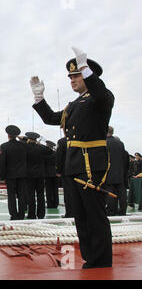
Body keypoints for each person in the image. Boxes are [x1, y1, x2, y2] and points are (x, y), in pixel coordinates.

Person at [31, 47, 114, 268]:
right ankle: (91, 257)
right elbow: (51, 118)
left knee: (95, 216)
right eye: (70, 76)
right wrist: (39, 98)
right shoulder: (75, 104)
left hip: (90, 165)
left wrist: (86, 68)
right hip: (74, 165)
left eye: (76, 75)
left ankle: (102, 260)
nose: (72, 79)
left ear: (89, 75)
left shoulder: (101, 98)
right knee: (82, 217)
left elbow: (100, 93)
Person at [0, 125, 28, 220]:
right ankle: (21, 215)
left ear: (8, 135)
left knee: (11, 196)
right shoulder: (24, 145)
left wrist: (2, 177)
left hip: (10, 175)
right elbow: (29, 140)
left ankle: (14, 215)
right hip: (22, 175)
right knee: (22, 196)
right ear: (16, 135)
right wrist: (22, 138)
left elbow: (2, 163)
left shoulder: (4, 146)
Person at [25, 132, 52, 219]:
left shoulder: (25, 147)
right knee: (40, 195)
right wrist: (39, 144)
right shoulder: (41, 148)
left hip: (29, 175)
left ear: (29, 138)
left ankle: (31, 214)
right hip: (40, 175)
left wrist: (23, 140)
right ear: (36, 139)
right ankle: (41, 214)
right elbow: (50, 150)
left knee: (31, 195)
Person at [103, 126, 127, 216]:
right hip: (120, 171)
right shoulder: (120, 143)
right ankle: (123, 210)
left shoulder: (105, 143)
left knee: (110, 192)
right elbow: (124, 157)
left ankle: (111, 211)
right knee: (122, 192)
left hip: (109, 172)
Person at [56, 137, 74, 218]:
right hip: (80, 171)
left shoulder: (62, 142)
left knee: (68, 194)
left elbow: (59, 157)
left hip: (66, 171)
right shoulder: (80, 139)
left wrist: (58, 171)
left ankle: (70, 213)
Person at [44, 140, 59, 208]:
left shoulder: (46, 155)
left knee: (48, 190)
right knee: (55, 189)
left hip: (47, 174)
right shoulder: (55, 153)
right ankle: (56, 203)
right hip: (55, 174)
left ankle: (50, 204)